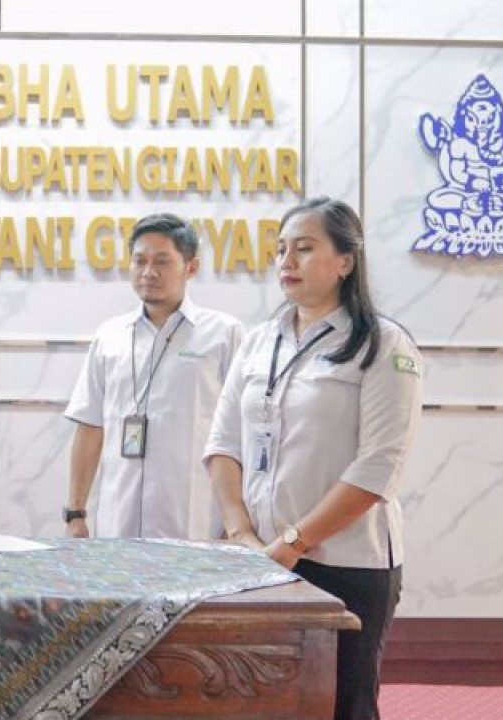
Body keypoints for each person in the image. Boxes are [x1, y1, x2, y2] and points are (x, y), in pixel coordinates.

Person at [204, 197, 422, 720]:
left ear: (345, 261)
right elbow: (222, 445)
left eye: (304, 249)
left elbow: (378, 467)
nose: (287, 261)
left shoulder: (382, 344)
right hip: (258, 557)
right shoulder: (259, 341)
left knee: (343, 705)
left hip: (346, 563)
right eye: (281, 250)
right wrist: (242, 534)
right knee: (260, 701)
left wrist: (294, 542)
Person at [64, 213, 242, 539]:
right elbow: (90, 426)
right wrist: (75, 513)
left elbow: (240, 432)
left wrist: (237, 523)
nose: (149, 272)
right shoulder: (110, 335)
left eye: (162, 261)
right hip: (118, 519)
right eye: (139, 261)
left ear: (191, 267)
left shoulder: (223, 334)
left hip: (196, 519)